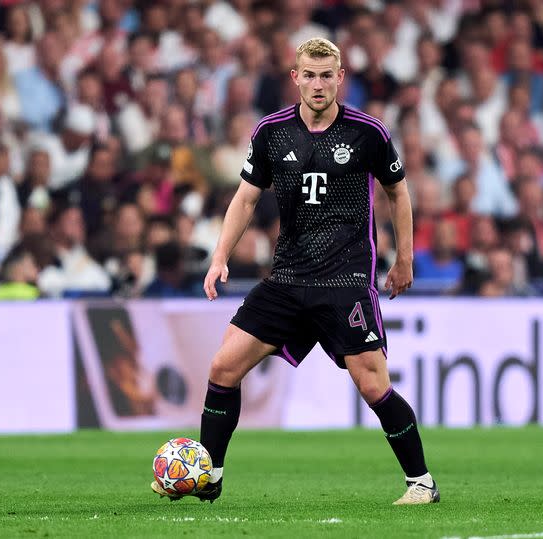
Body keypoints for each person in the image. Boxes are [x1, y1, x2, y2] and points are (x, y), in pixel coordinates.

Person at [151, 38, 438, 505]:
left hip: (345, 281)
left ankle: (421, 483)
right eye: (310, 74)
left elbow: (398, 193)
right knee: (223, 367)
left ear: (340, 77)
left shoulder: (368, 132)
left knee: (372, 384)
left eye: (328, 75)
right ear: (296, 78)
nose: (319, 84)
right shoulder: (271, 132)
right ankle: (211, 476)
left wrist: (404, 258)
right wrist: (220, 255)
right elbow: (246, 198)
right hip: (286, 278)